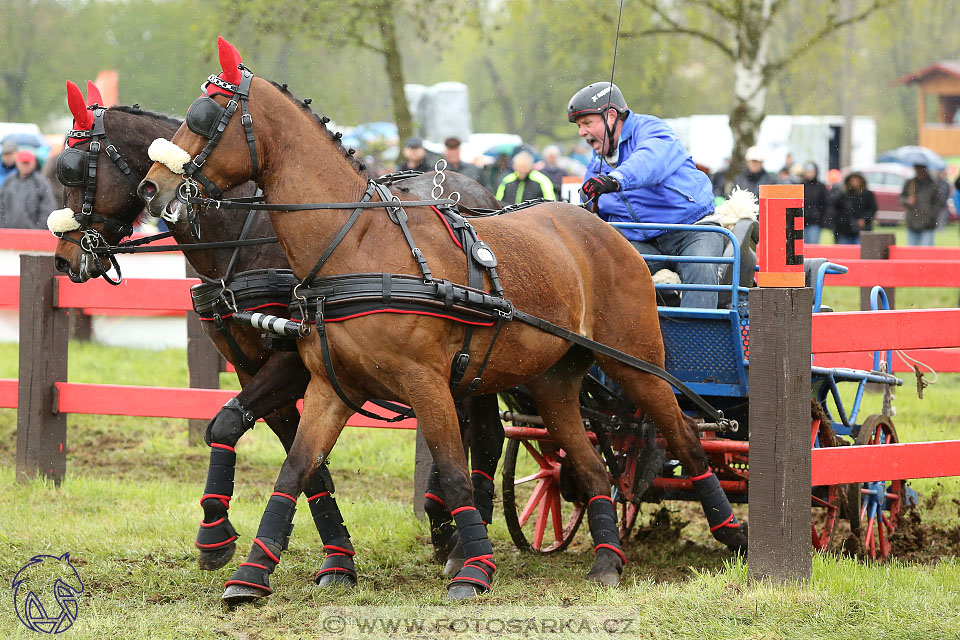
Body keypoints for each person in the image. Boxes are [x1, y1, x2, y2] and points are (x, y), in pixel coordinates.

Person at [568, 81, 721, 308]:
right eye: (579, 126)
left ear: (611, 116)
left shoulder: (651, 130)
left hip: (692, 229)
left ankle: (696, 340)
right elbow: (591, 215)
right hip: (643, 242)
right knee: (602, 267)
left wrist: (615, 180)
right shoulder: (596, 164)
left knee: (701, 267)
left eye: (588, 123)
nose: (582, 133)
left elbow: (650, 161)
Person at [0, 150, 57, 229]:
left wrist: (37, 229)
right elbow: (2, 205)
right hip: (7, 232)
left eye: (27, 163)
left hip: (32, 235)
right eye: (23, 163)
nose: (25, 166)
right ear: (17, 163)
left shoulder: (41, 183)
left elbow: (47, 208)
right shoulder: (8, 181)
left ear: (34, 163)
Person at [900, 162, 941, 246]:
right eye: (917, 169)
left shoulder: (932, 184)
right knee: (912, 251)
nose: (919, 172)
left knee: (927, 252)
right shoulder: (910, 183)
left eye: (921, 169)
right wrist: (907, 201)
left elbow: (938, 203)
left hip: (928, 223)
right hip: (912, 221)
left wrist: (931, 215)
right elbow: (901, 198)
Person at [830, 172, 876, 244]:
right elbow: (835, 210)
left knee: (860, 253)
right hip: (844, 231)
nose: (854, 183)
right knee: (844, 253)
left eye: (857, 180)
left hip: (862, 230)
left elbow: (872, 209)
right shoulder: (842, 195)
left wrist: (864, 219)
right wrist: (843, 221)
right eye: (852, 180)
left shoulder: (867, 195)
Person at [801, 163, 830, 245]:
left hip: (815, 222)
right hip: (801, 221)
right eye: (808, 171)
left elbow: (825, 204)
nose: (809, 174)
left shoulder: (821, 187)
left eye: (811, 171)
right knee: (802, 247)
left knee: (812, 245)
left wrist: (822, 219)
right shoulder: (800, 185)